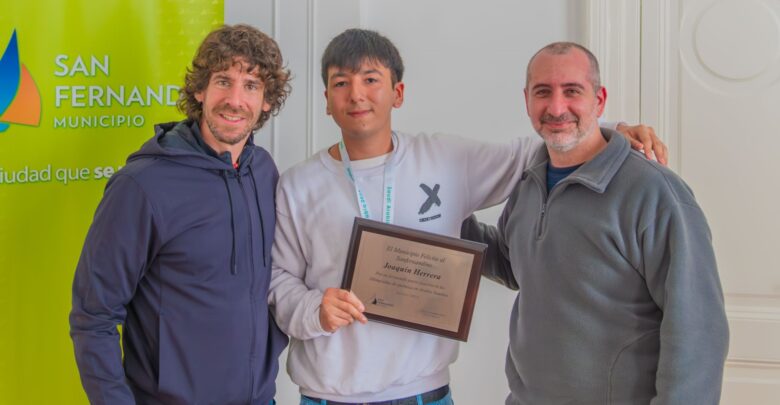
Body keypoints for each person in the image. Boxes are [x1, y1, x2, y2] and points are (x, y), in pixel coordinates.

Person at [268, 29, 666, 405]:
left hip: (426, 392)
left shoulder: (445, 160)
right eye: (341, 83)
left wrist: (614, 131)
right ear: (325, 99)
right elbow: (277, 280)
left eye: (371, 79)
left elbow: (534, 151)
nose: (356, 94)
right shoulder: (297, 185)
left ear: (398, 92)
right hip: (328, 395)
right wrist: (313, 310)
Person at [462, 42, 729, 404]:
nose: (557, 108)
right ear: (527, 101)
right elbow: (513, 265)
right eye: (543, 92)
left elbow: (697, 329)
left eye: (572, 91)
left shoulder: (655, 193)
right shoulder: (528, 182)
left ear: (599, 101)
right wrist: (447, 215)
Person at [69, 24, 290, 405]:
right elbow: (94, 315)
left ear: (267, 100)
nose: (235, 100)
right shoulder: (142, 186)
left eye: (251, 85)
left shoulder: (264, 171)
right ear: (199, 90)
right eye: (223, 81)